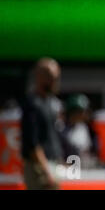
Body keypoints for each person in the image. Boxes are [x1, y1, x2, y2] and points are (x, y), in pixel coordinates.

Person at [20, 57, 64, 190]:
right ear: (39, 77)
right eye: (52, 77)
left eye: (57, 77)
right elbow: (32, 143)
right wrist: (46, 170)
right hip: (39, 167)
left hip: (51, 164)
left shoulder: (51, 102)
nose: (55, 81)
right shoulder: (32, 104)